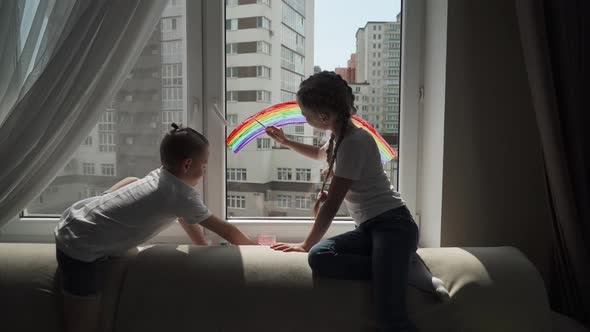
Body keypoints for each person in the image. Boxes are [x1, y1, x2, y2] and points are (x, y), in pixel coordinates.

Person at [266, 72, 448, 332]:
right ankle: (399, 270)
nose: (305, 119)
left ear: (324, 117)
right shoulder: (337, 136)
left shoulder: (354, 142)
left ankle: (398, 269)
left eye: (306, 115)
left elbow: (332, 205)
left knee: (390, 318)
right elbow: (320, 154)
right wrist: (285, 141)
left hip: (393, 226)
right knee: (320, 257)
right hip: (369, 229)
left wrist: (305, 243)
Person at [54, 123, 257, 332]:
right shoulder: (182, 196)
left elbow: (184, 216)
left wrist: (201, 245)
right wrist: (257, 251)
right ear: (187, 165)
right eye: (204, 165)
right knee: (83, 321)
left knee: (133, 181)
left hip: (77, 216)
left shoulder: (162, 177)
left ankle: (104, 206)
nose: (205, 170)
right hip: (79, 245)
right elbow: (227, 231)